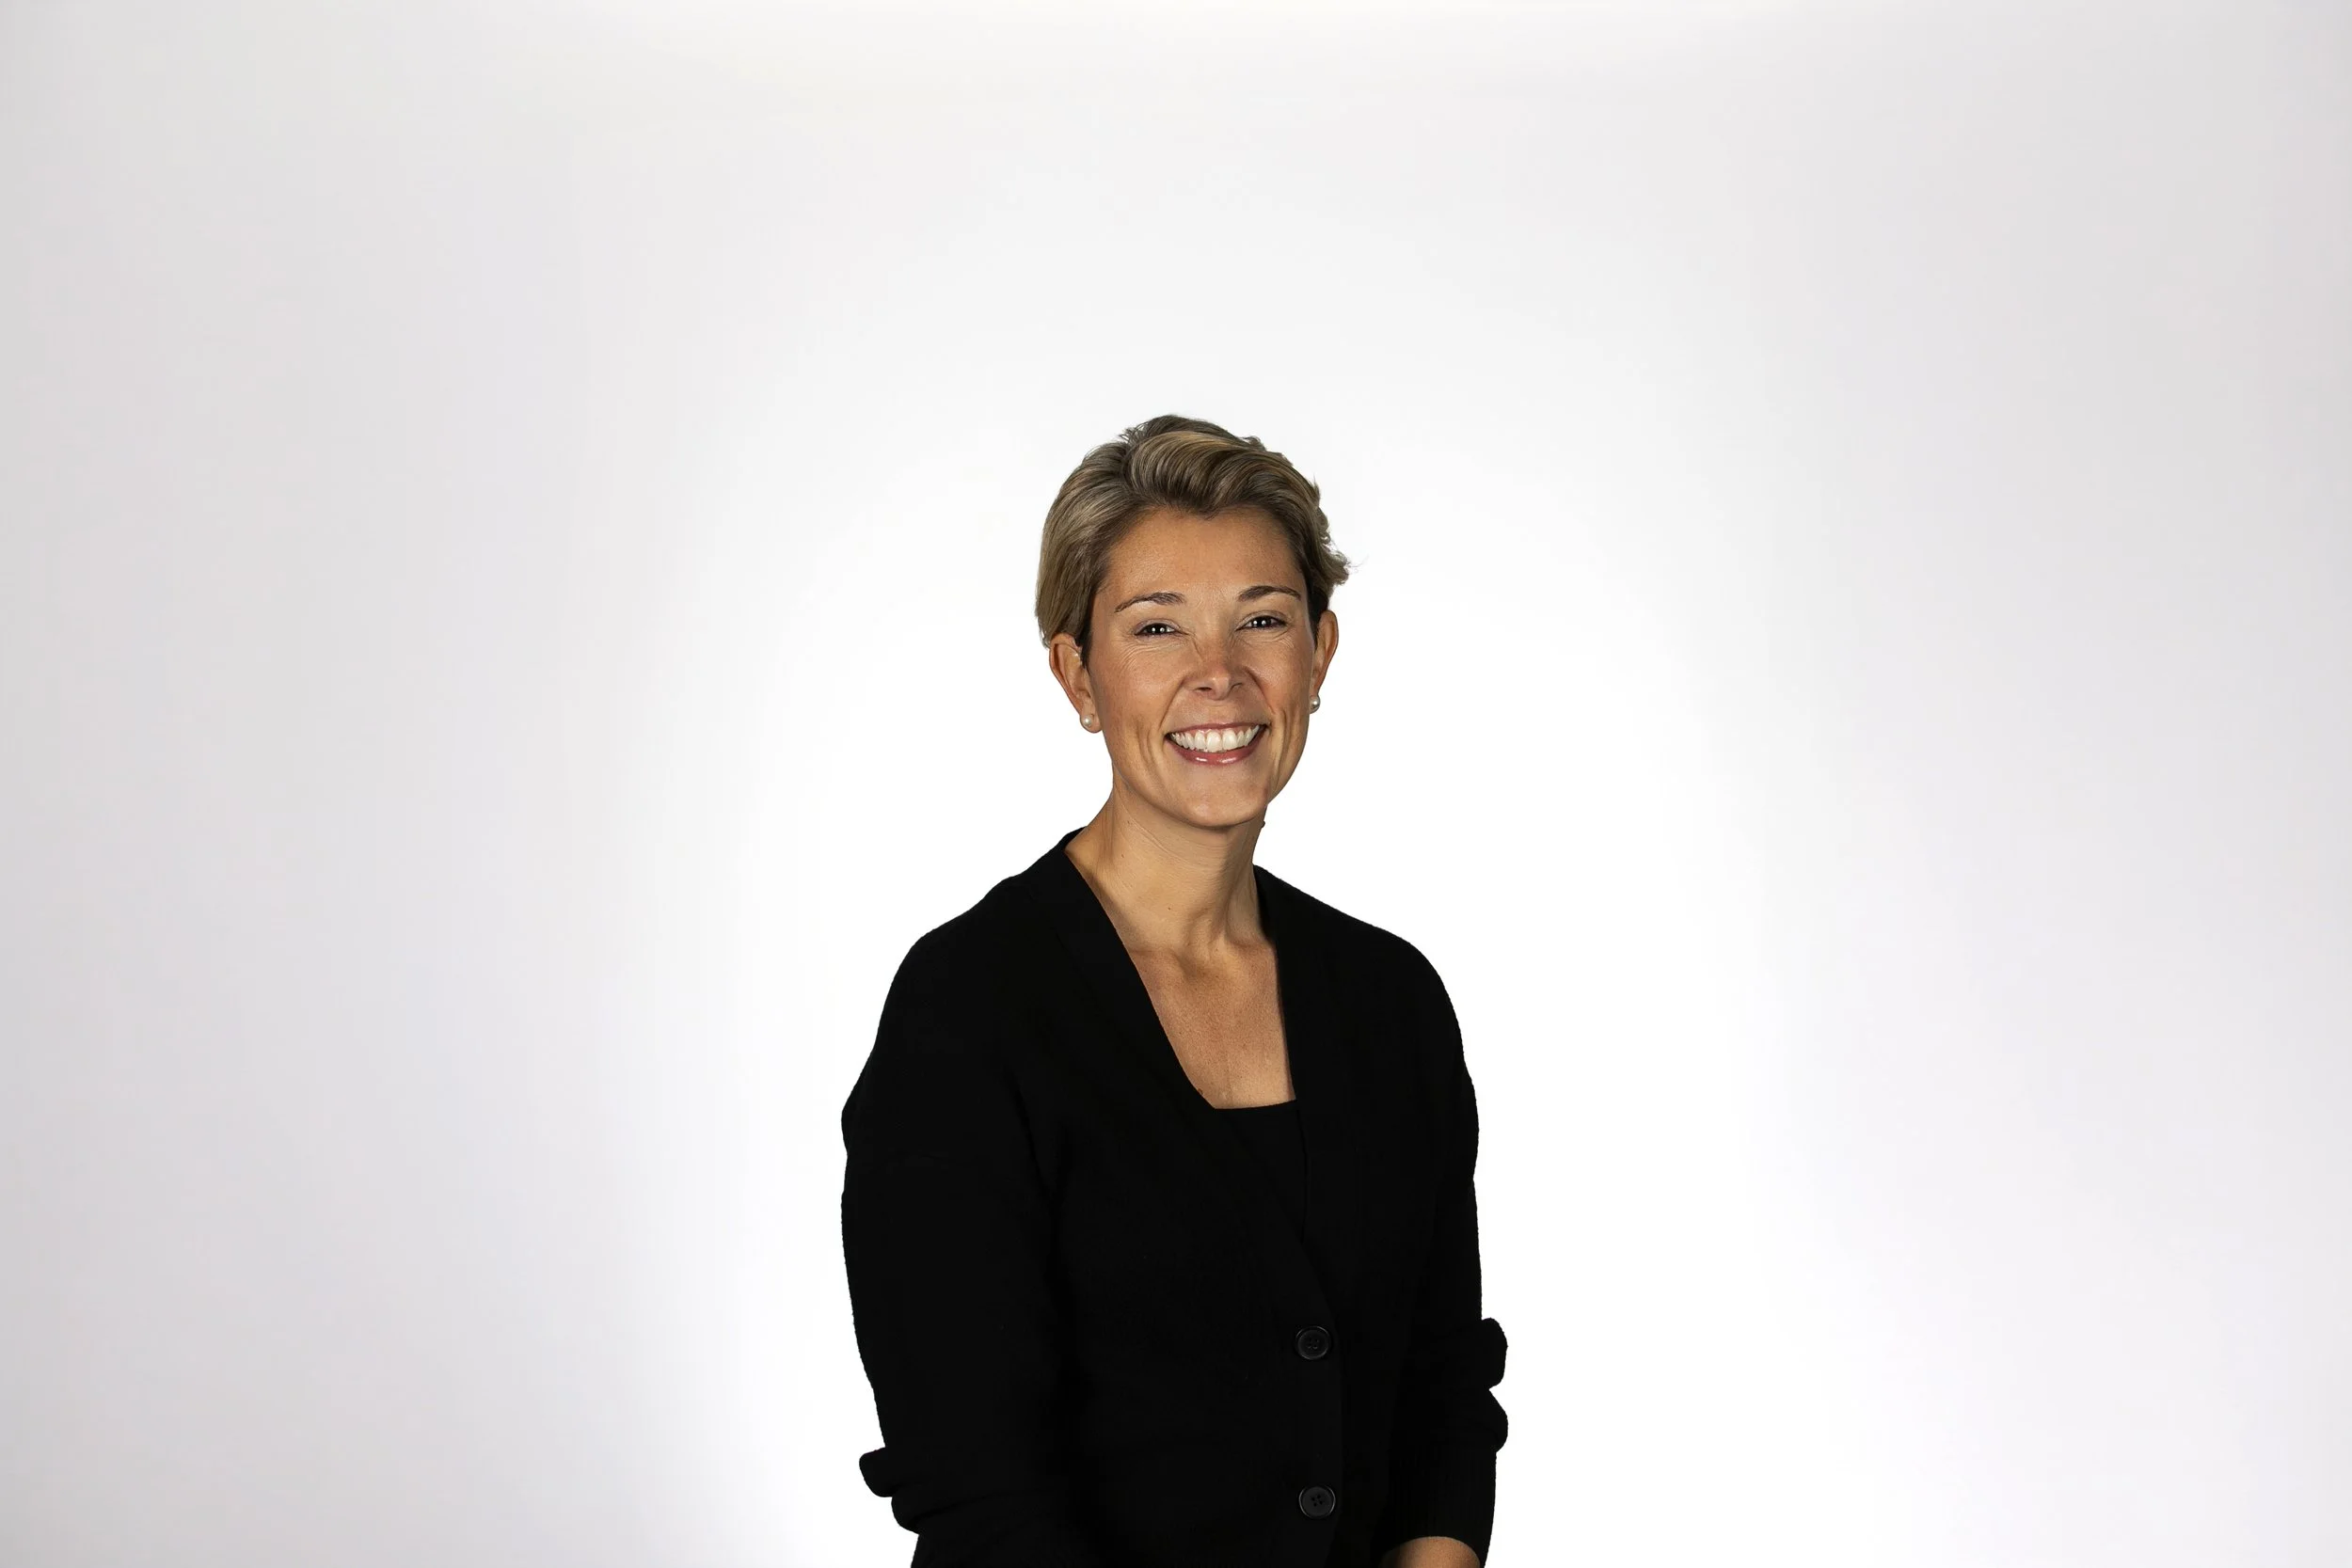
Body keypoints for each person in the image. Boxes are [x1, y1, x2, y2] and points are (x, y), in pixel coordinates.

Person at [839, 415, 1508, 1567]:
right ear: (1077, 674)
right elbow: (980, 1487)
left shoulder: (1390, 1000)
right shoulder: (968, 1012)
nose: (1220, 672)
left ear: (1319, 654)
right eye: (1157, 626)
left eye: (1263, 618)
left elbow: (1440, 1389)